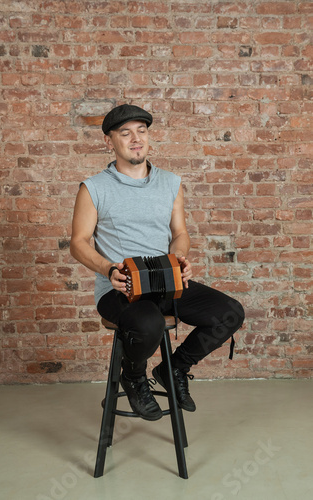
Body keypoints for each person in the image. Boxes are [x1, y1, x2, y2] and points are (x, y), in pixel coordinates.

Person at [70, 104, 245, 421]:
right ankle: (134, 376)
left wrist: (180, 257)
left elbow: (180, 233)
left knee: (229, 312)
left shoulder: (170, 183)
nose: (136, 139)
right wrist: (108, 270)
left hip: (166, 282)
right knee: (148, 323)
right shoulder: (93, 188)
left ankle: (174, 368)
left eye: (141, 131)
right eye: (125, 133)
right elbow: (78, 242)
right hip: (119, 289)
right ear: (109, 141)